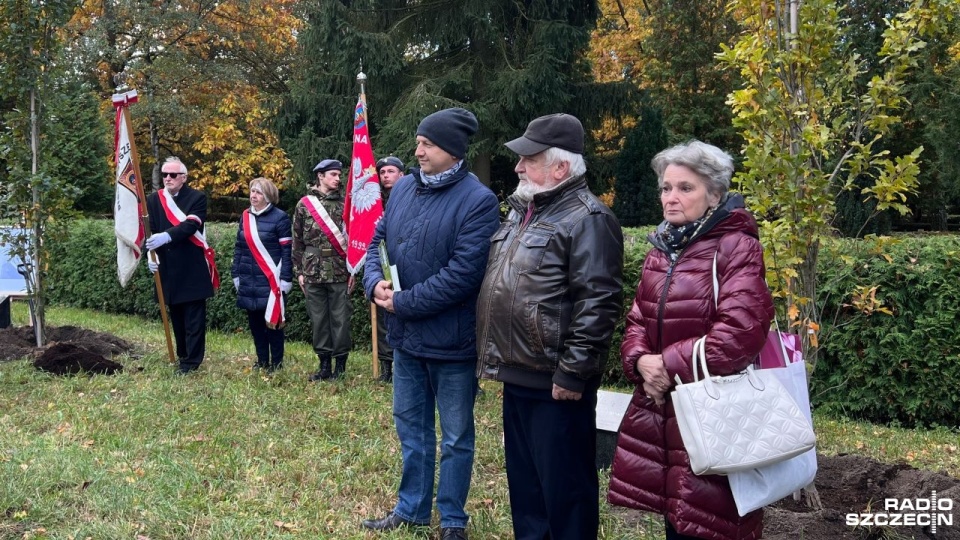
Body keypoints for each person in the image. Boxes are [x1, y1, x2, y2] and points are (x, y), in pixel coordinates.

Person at [607, 141, 775, 540]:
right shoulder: (663, 249)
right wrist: (639, 362)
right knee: (678, 520)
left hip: (716, 411)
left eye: (686, 188)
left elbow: (740, 334)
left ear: (714, 194)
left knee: (715, 523)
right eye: (666, 188)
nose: (671, 197)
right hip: (666, 413)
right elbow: (636, 320)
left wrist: (666, 365)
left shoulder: (736, 246)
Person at [475, 113, 624, 539]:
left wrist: (574, 371)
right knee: (528, 493)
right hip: (519, 375)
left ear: (560, 167)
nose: (519, 167)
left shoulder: (588, 218)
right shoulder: (526, 212)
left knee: (566, 496)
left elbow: (598, 301)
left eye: (529, 158)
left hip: (557, 384)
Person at [361, 108, 500, 540]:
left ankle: (453, 520)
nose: (417, 150)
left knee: (456, 436)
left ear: (453, 151)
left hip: (451, 344)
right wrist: (373, 285)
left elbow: (463, 275)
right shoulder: (402, 189)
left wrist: (401, 303)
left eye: (427, 144)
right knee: (411, 427)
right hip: (406, 339)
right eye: (418, 141)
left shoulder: (479, 201)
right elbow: (377, 241)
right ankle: (412, 508)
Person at [145, 156, 219, 375]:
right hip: (168, 267)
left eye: (173, 175)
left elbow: (191, 224)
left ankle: (192, 362)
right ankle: (183, 356)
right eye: (165, 174)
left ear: (184, 178)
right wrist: (151, 256)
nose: (168, 178)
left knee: (194, 319)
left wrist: (166, 237)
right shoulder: (154, 199)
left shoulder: (197, 197)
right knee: (176, 316)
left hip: (191, 267)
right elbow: (149, 231)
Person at [292, 159, 352, 381]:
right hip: (312, 270)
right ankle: (324, 365)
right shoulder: (304, 204)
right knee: (318, 320)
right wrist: (298, 271)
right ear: (321, 176)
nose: (338, 178)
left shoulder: (346, 204)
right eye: (333, 174)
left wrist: (353, 271)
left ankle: (341, 366)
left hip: (339, 269)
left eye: (339, 175)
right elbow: (297, 240)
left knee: (341, 319)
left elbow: (354, 241)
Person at [231, 177, 293, 372]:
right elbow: (239, 247)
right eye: (252, 191)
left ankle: (276, 363)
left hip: (271, 279)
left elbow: (286, 251)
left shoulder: (280, 217)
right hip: (248, 278)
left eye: (258, 192)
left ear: (268, 196)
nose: (253, 196)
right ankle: (262, 360)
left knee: (273, 323)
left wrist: (285, 279)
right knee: (255, 323)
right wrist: (236, 273)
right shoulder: (245, 216)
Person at [372, 155, 404, 383]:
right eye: (382, 173)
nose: (385, 176)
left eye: (390, 171)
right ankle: (386, 366)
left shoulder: (411, 197)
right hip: (385, 265)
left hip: (406, 263)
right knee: (386, 314)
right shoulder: (375, 202)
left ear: (401, 174)